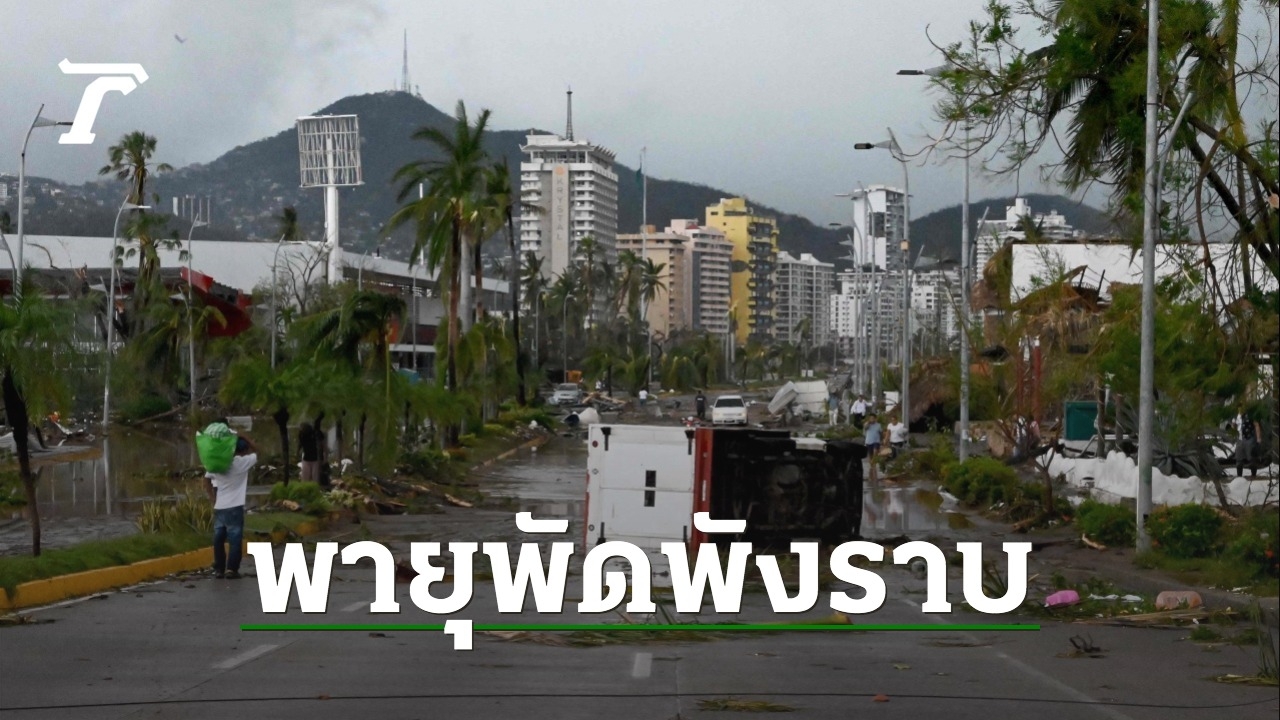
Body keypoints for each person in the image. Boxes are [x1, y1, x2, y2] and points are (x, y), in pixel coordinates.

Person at [204, 435, 257, 579]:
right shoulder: (242, 462)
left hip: (220, 506)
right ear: (242, 451)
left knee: (218, 539)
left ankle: (219, 569)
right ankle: (231, 569)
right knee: (235, 539)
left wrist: (213, 498)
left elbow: (206, 480)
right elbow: (257, 452)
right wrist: (244, 436)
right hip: (235, 506)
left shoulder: (219, 462)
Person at [1235, 407, 1261, 478]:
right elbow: (1235, 426)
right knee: (1239, 458)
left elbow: (1256, 425)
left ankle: (1253, 475)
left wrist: (1258, 438)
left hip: (1249, 438)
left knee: (1251, 458)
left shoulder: (1250, 415)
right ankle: (1239, 477)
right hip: (1240, 438)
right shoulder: (1238, 416)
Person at [864, 414, 882, 483]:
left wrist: (882, 441)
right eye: (870, 418)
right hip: (868, 441)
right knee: (870, 455)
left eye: (873, 418)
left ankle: (873, 465)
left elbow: (880, 433)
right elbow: (865, 428)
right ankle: (872, 468)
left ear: (875, 419)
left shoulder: (878, 425)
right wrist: (868, 422)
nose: (872, 419)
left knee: (875, 452)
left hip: (876, 441)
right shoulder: (867, 424)